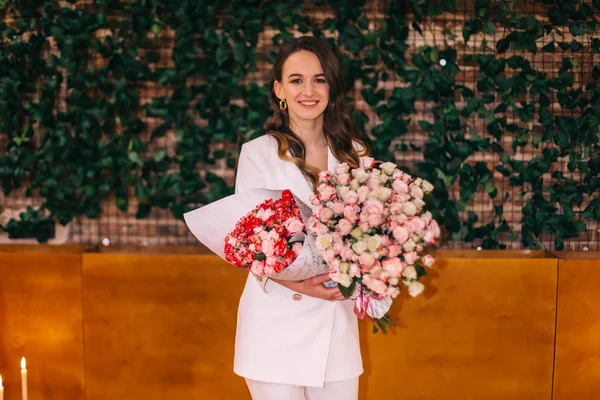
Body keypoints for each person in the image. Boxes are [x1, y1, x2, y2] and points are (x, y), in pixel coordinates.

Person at [233, 35, 369, 400]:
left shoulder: (355, 154)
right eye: (296, 80)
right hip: (274, 324)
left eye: (319, 79)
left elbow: (371, 233)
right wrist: (303, 286)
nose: (308, 90)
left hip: (335, 327)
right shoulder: (257, 154)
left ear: (332, 86)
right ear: (279, 88)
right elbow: (251, 247)